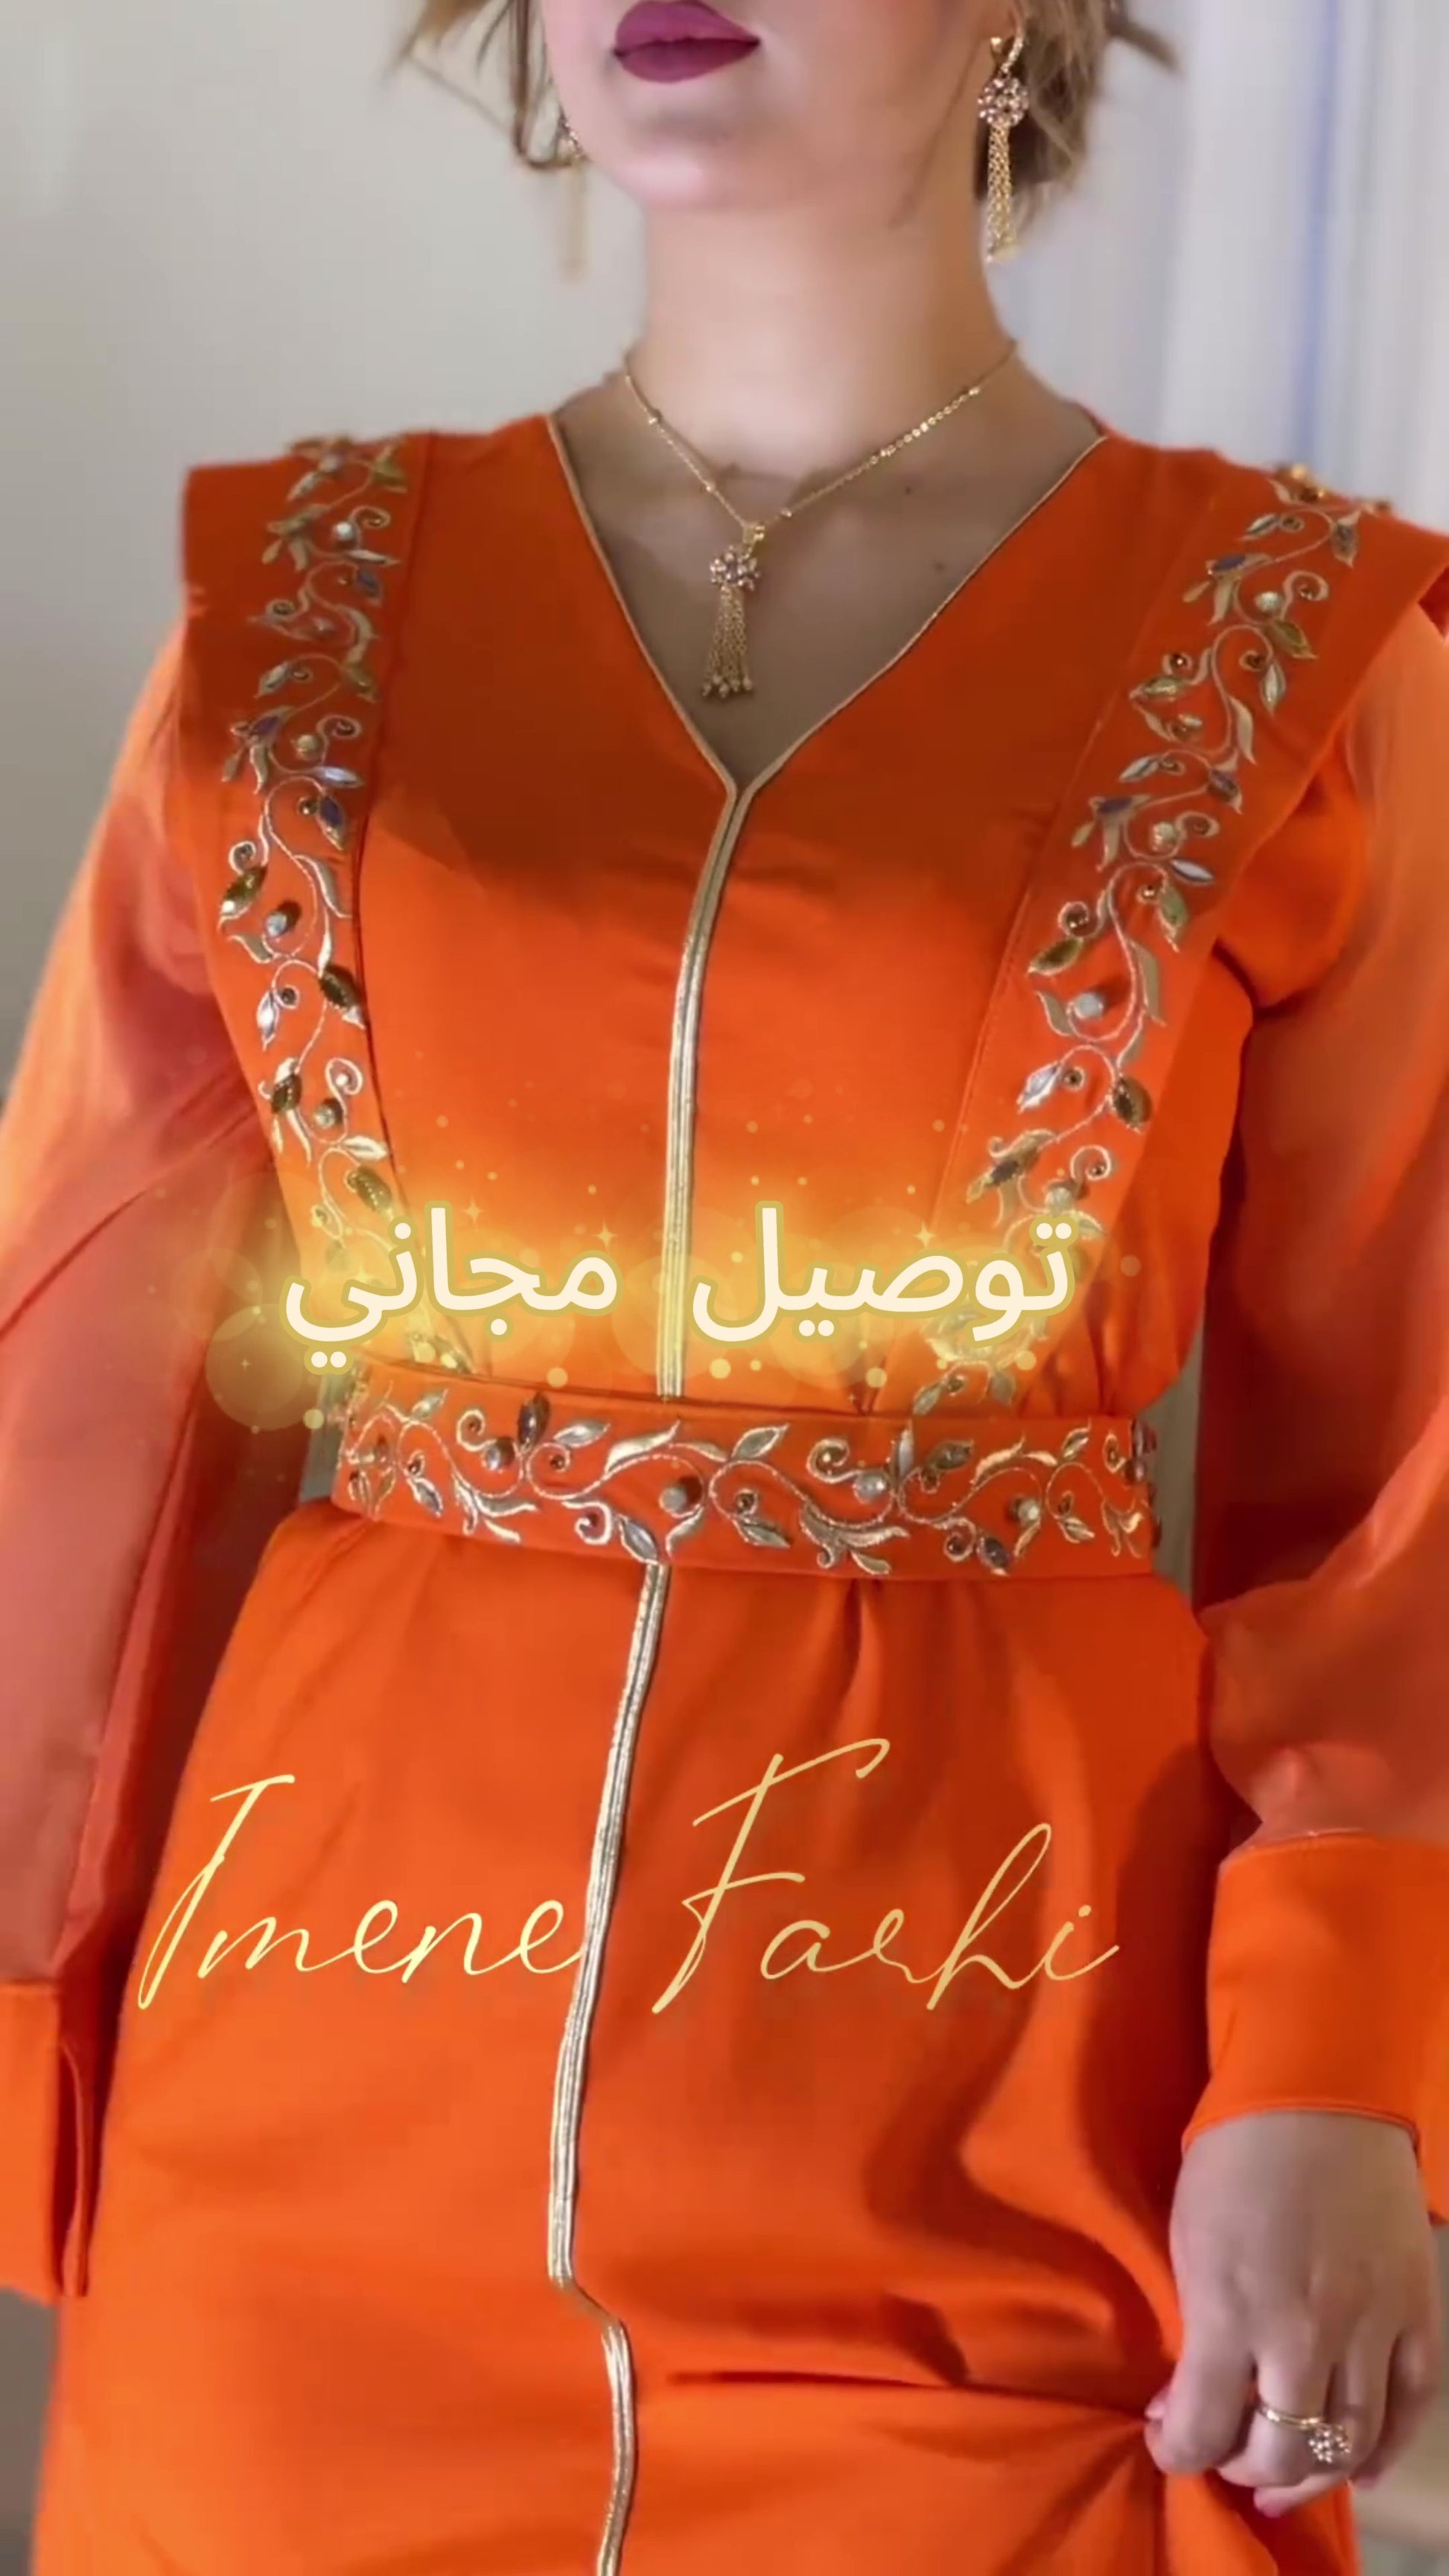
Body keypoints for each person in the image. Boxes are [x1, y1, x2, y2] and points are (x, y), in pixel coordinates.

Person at [2, 1, 1448, 2568]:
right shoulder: (297, 629)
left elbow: (1397, 1468)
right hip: (312, 2161)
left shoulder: (1314, 664)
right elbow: (78, 1392)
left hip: (996, 2143)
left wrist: (1333, 2059)